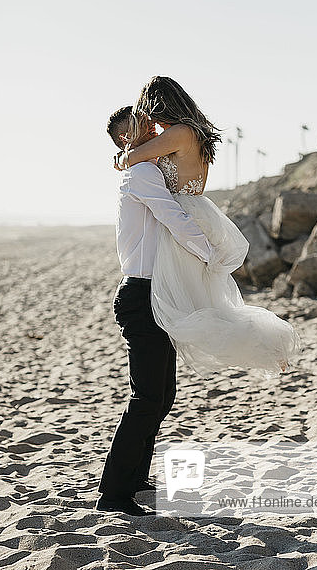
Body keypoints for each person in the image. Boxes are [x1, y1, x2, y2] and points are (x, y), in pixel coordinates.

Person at [115, 76, 302, 380]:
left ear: (156, 104)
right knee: (204, 306)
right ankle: (267, 349)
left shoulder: (180, 132)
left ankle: (268, 346)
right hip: (196, 211)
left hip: (182, 215)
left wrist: (123, 155)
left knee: (193, 312)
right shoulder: (192, 132)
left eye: (146, 111)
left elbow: (132, 158)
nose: (147, 120)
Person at [95, 105, 215, 516]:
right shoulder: (141, 174)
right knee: (147, 397)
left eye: (149, 122)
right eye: (139, 126)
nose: (150, 128)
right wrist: (210, 252)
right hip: (142, 296)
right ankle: (113, 494)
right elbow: (173, 217)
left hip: (154, 294)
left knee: (162, 395)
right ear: (125, 139)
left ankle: (134, 477)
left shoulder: (147, 169)